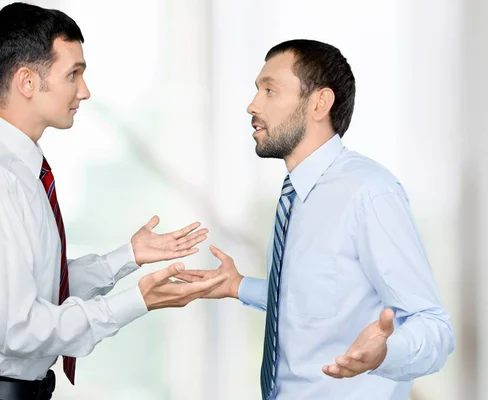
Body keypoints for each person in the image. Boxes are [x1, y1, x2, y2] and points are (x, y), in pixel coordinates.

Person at [0, 3, 228, 399]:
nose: (84, 91)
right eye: (73, 74)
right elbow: (19, 328)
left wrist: (126, 257)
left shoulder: (19, 170)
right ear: (27, 82)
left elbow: (40, 290)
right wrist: (137, 301)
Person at [176, 39, 455, 399]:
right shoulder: (297, 196)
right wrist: (239, 286)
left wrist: (385, 353)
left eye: (270, 90)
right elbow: (319, 301)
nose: (253, 105)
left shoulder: (369, 191)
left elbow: (435, 326)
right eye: (256, 90)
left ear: (320, 103)